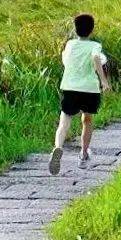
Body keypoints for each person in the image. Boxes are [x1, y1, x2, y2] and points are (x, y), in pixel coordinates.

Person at [48, 13, 110, 174]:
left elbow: (66, 60)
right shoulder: (95, 46)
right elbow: (96, 57)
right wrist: (103, 80)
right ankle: (83, 154)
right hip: (89, 88)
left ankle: (58, 147)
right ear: (92, 30)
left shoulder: (70, 44)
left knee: (64, 121)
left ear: (75, 30)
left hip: (69, 87)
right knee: (87, 121)